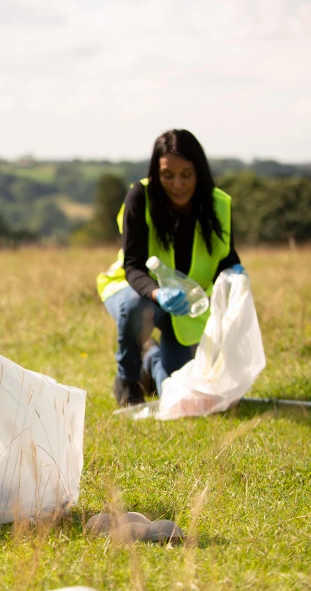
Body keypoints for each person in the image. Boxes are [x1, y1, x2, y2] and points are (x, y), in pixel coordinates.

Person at [96, 129, 245, 406]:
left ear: (199, 172)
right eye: (168, 175)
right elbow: (133, 266)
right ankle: (128, 382)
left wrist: (236, 273)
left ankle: (151, 359)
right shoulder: (140, 197)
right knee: (136, 306)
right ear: (156, 172)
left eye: (186, 174)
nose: (178, 184)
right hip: (136, 291)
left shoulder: (219, 205)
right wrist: (157, 294)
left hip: (186, 306)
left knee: (179, 398)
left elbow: (226, 259)